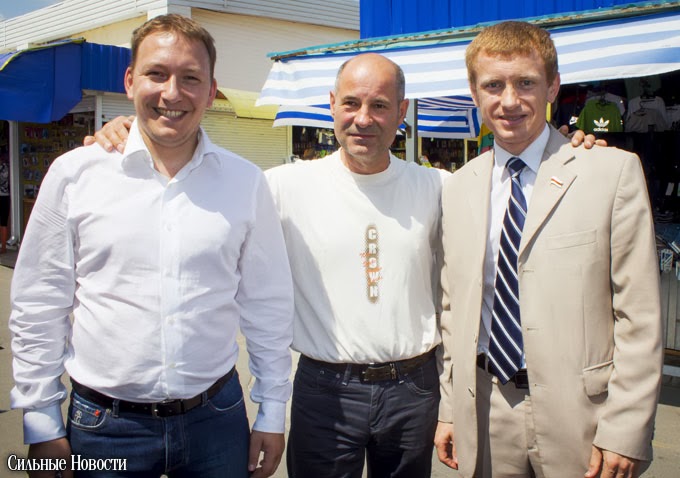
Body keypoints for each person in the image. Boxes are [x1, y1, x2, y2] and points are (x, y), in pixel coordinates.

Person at [88, 52, 602, 478]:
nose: (364, 118)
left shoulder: (440, 187)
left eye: (380, 105)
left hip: (414, 389)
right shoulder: (280, 187)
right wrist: (132, 134)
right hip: (324, 390)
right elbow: (198, 176)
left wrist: (569, 149)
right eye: (351, 103)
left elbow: (519, 201)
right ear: (331, 104)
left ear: (401, 112)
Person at [9, 14, 293, 478]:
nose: (172, 93)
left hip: (217, 422)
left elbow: (268, 304)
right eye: (156, 73)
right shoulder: (75, 174)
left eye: (190, 78)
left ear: (211, 90)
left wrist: (273, 410)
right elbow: (40, 302)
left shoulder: (245, 183)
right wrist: (40, 418)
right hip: (104, 427)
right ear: (129, 81)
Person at [434, 21, 663, 478]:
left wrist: (626, 427)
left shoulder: (610, 172)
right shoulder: (457, 187)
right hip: (486, 408)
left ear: (553, 86)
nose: (509, 101)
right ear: (474, 93)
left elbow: (639, 316)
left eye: (526, 83)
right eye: (493, 85)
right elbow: (452, 308)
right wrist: (449, 407)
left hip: (583, 417)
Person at [0, 154, 9, 253]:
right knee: (3, 222)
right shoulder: (6, 168)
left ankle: (3, 246)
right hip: (5, 196)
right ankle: (3, 246)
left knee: (3, 222)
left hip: (3, 196)